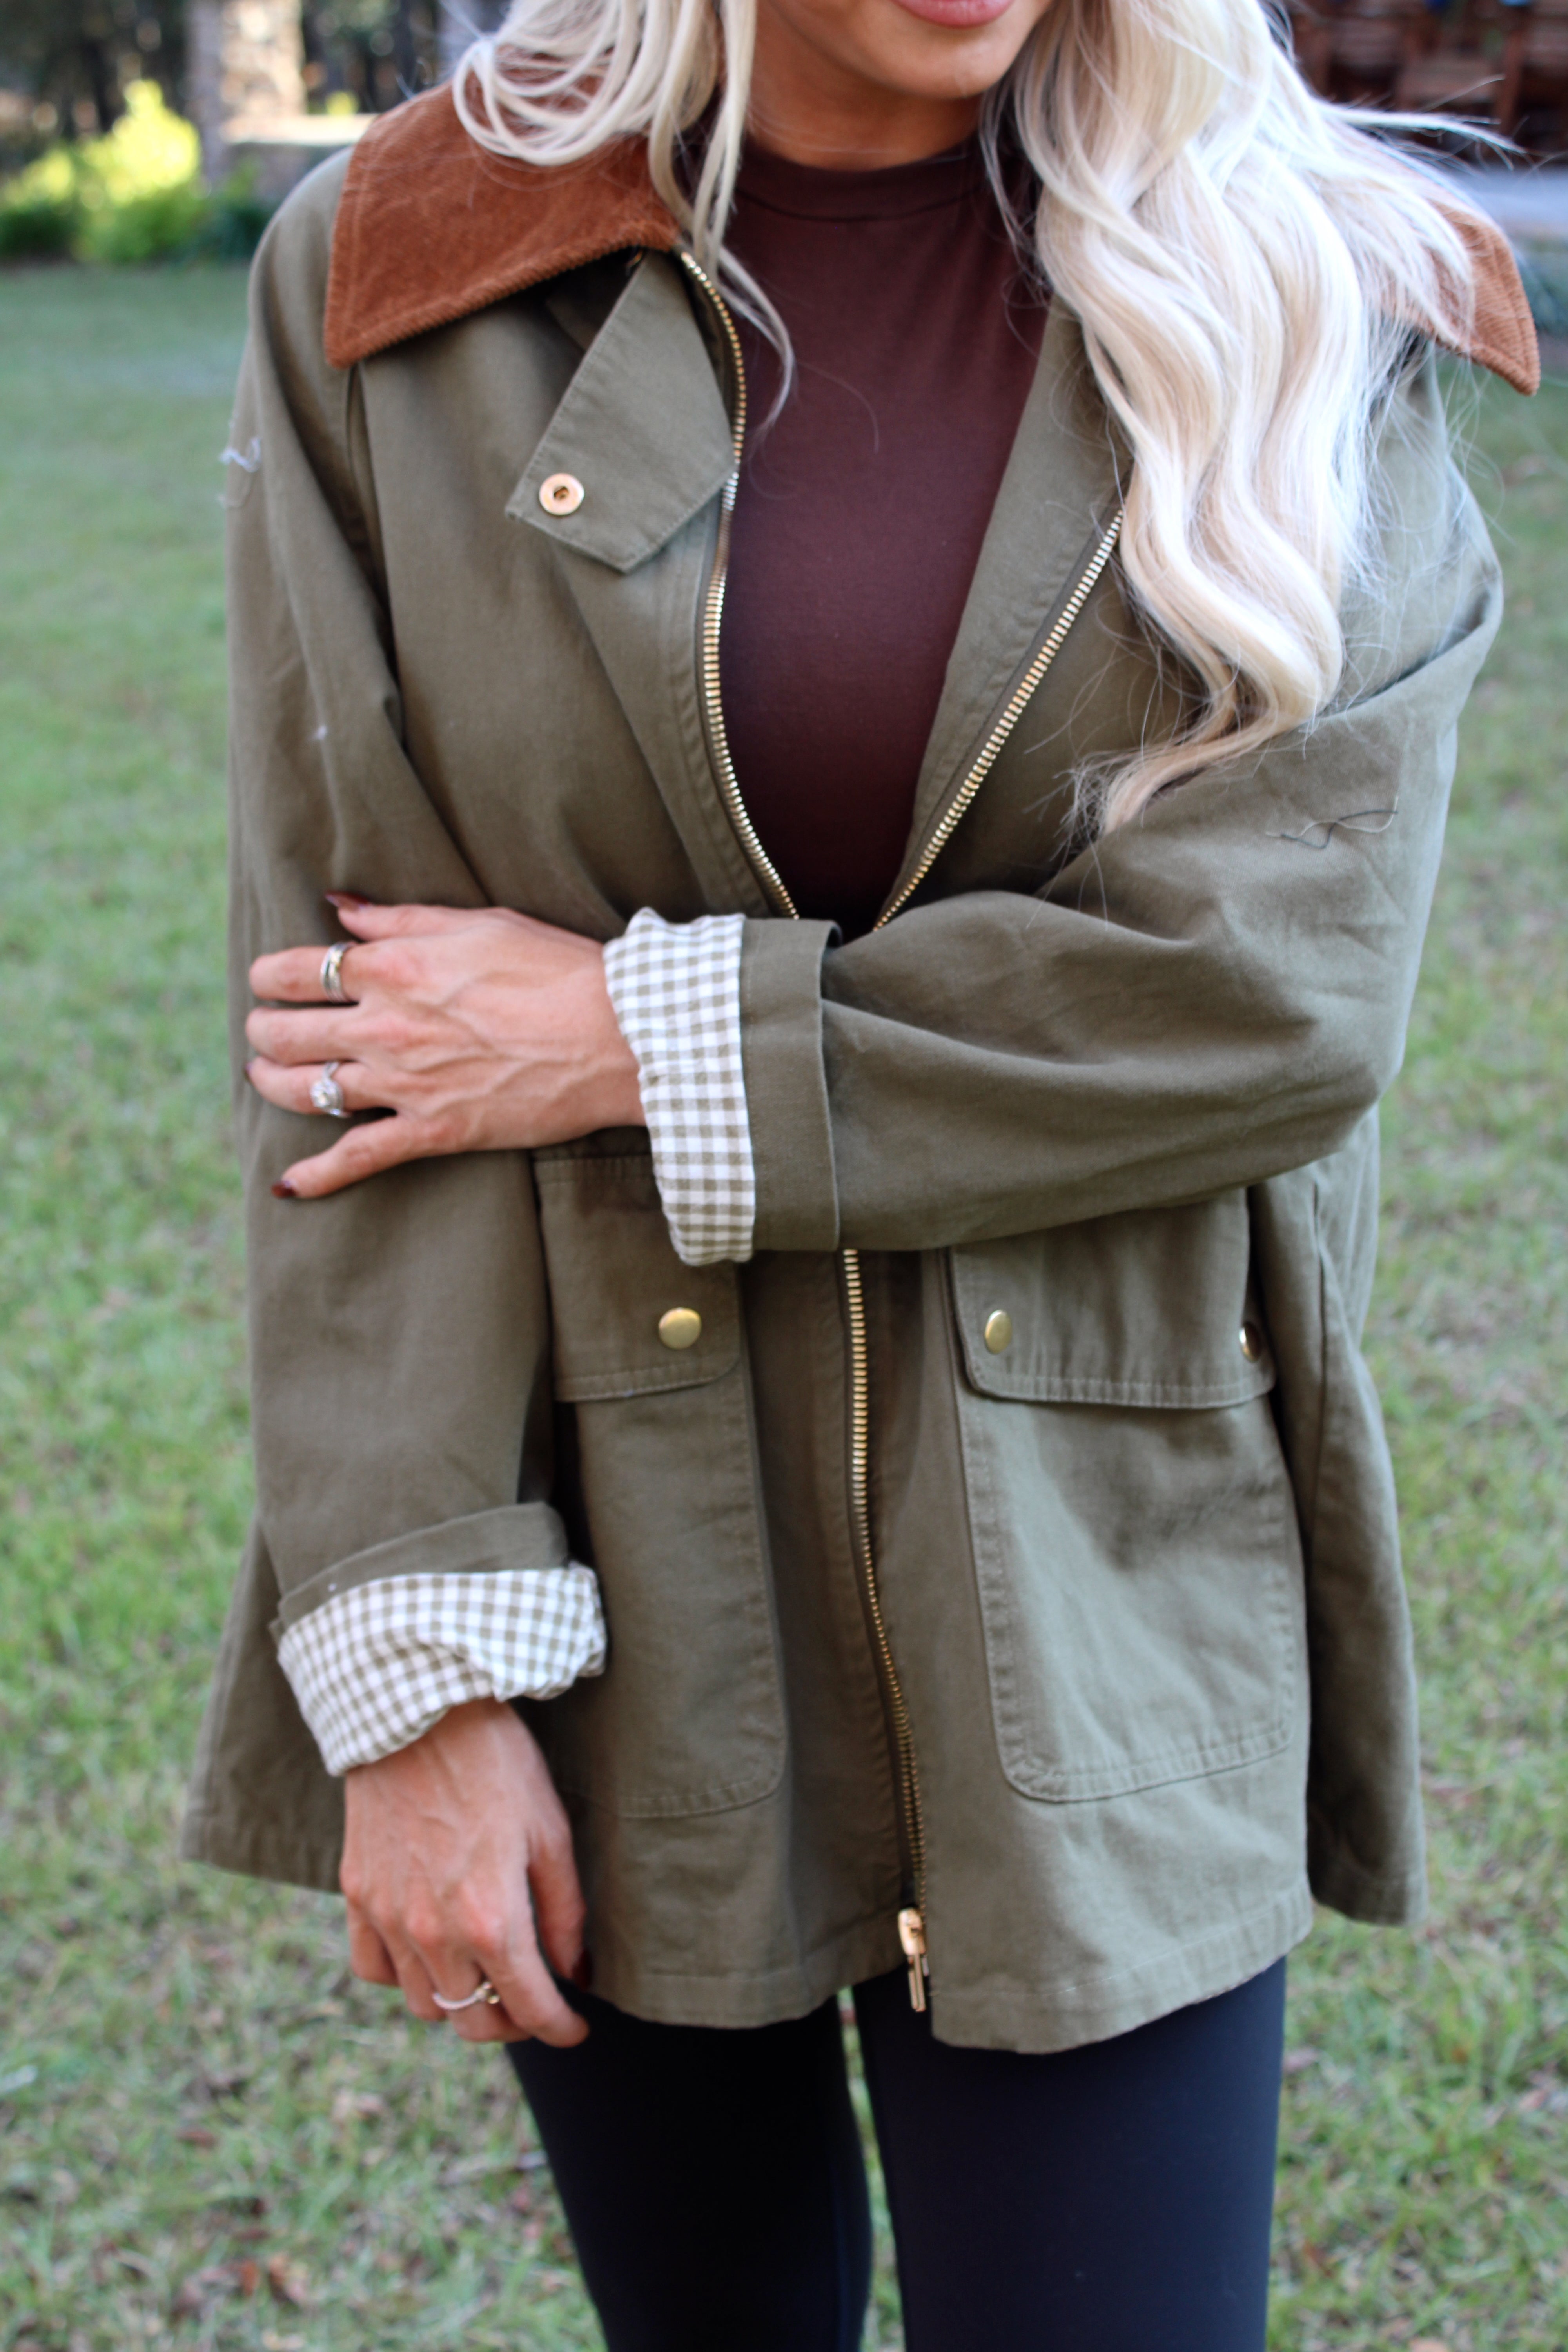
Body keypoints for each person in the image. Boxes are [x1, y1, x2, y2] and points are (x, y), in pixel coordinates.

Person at [182, 0, 1538, 2335]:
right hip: (619, 1567)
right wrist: (423, 1678)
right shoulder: (409, 265)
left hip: (1105, 1564)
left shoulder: (1318, 270)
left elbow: (1275, 996)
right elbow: (356, 1029)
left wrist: (635, 1035)